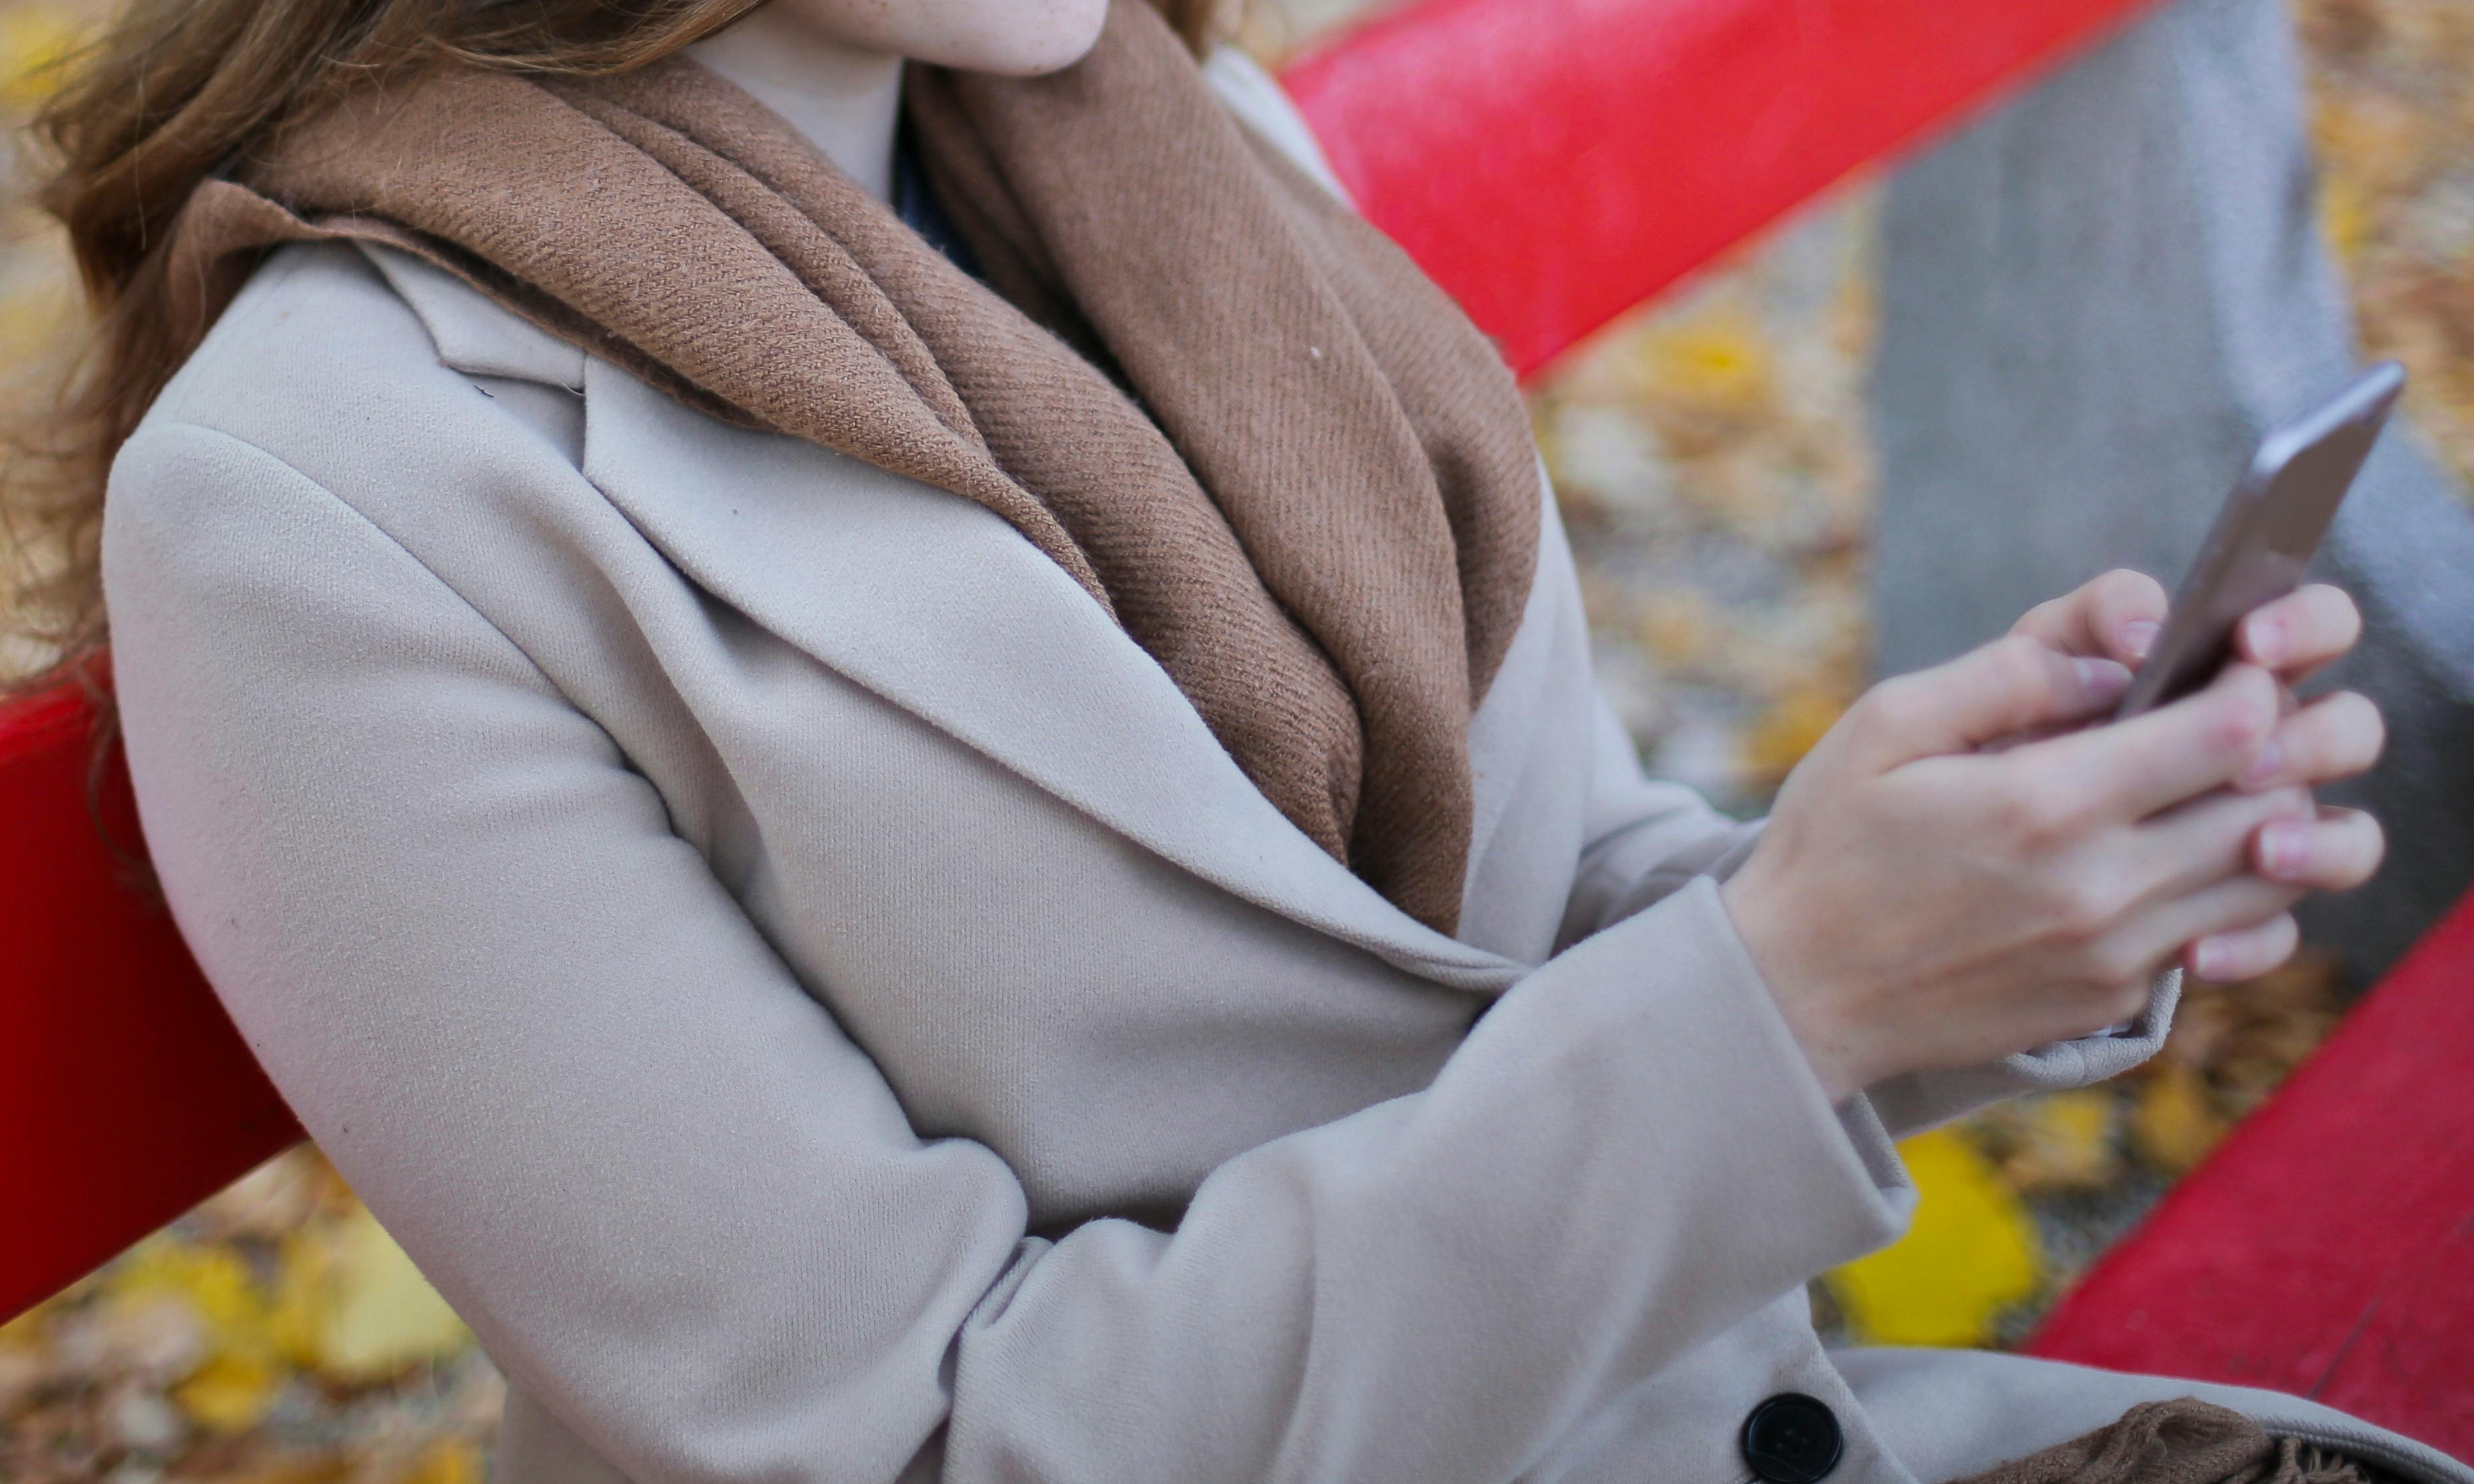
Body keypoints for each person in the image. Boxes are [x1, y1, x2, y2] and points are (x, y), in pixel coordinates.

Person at [9, 0, 2453, 1477]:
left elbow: (1507, 944)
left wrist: (1965, 891)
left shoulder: (1179, 166)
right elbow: (925, 1445)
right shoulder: (331, 502)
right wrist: (1794, 998)